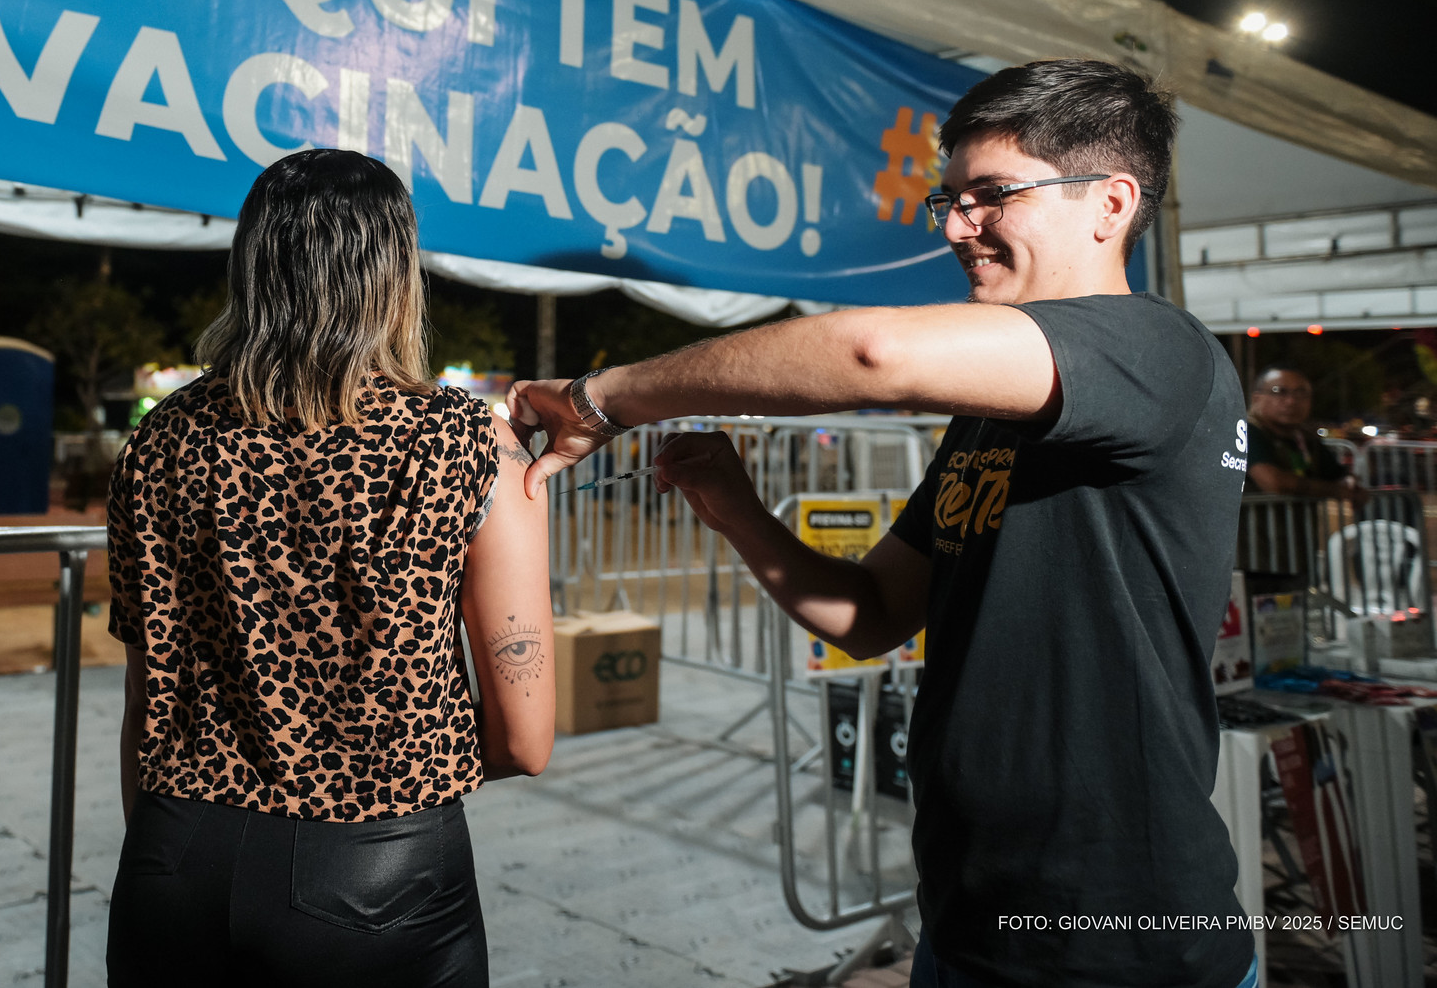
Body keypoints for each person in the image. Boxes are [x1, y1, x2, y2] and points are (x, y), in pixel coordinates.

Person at [510, 60, 1256, 988]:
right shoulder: (997, 413)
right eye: (949, 201)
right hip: (969, 923)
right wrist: (738, 511)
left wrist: (608, 395)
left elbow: (874, 351)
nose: (955, 227)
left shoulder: (1160, 348)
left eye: (992, 195)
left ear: (1110, 202)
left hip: (1118, 944)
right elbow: (868, 614)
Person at [105, 149, 552, 987]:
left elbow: (145, 703)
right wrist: (396, 755)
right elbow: (525, 740)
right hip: (377, 868)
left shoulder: (160, 438)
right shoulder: (463, 442)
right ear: (394, 276)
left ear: (252, 267)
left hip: (173, 856)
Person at [1244, 368, 1362, 500]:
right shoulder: (1245, 432)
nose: (1291, 401)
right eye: (1280, 391)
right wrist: (1334, 490)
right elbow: (1274, 482)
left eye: (1301, 394)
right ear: (1256, 399)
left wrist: (1350, 483)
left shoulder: (1305, 437)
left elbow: (1337, 474)